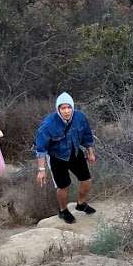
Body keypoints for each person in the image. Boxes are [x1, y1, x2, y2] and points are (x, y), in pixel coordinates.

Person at [34, 92, 96, 224]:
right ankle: (63, 210)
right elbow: (41, 148)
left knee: (86, 180)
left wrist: (90, 152)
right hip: (57, 157)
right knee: (63, 186)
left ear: (73, 107)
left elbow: (87, 135)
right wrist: (41, 169)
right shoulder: (48, 124)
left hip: (74, 151)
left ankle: (81, 203)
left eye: (69, 107)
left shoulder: (80, 117)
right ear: (58, 109)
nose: (67, 111)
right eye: (63, 108)